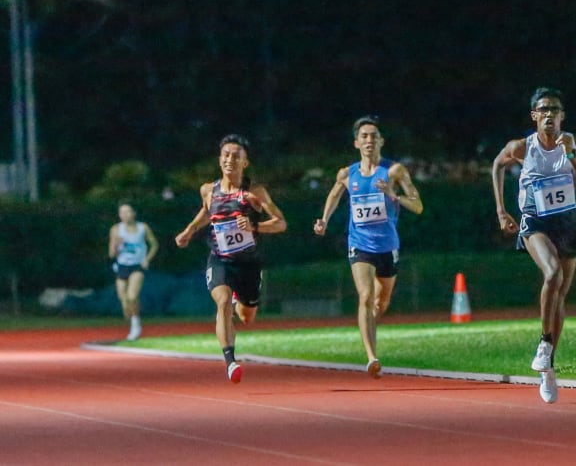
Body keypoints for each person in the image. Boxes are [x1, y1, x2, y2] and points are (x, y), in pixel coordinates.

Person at [491, 87, 576, 403]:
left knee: (559, 296)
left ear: (562, 116)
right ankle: (544, 342)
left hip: (567, 223)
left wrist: (572, 158)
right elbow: (497, 165)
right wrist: (501, 210)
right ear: (534, 116)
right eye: (543, 109)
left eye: (554, 109)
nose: (549, 114)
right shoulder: (521, 147)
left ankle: (548, 367)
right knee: (552, 274)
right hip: (535, 222)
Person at [313, 116, 423, 379]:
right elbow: (334, 194)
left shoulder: (394, 171)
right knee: (365, 296)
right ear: (356, 143)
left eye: (374, 136)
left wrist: (393, 195)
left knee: (380, 301)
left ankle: (370, 324)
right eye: (364, 136)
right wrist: (324, 220)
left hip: (387, 245)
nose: (369, 140)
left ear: (381, 141)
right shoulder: (346, 173)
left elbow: (418, 206)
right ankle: (372, 357)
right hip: (359, 244)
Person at [174, 134, 287, 383]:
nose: (230, 160)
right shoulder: (208, 190)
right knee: (223, 302)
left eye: (236, 156)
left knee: (247, 317)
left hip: (247, 263)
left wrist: (255, 226)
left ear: (245, 163)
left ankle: (239, 299)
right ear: (219, 160)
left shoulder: (254, 192)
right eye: (226, 155)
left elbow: (280, 223)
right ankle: (230, 361)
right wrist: (189, 231)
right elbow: (206, 212)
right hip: (220, 259)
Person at [108, 202, 159, 341]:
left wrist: (147, 259)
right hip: (122, 266)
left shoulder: (143, 228)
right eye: (122, 213)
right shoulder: (116, 229)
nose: (125, 215)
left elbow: (154, 244)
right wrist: (116, 245)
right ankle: (132, 318)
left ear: (134, 213)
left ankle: (136, 325)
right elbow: (111, 254)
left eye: (128, 212)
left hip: (137, 265)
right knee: (124, 302)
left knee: (132, 296)